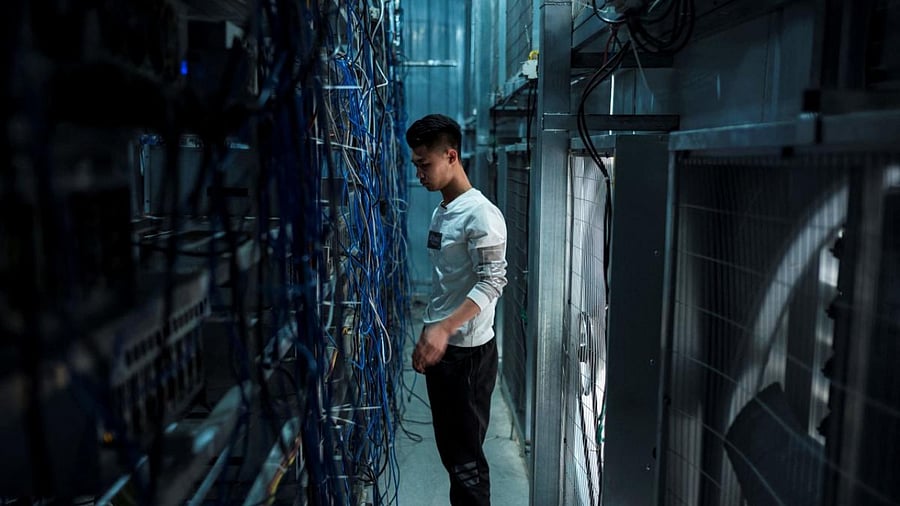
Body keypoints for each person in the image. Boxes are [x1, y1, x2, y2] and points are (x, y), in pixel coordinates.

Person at [406, 114, 508, 506]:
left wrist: (444, 328)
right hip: (445, 351)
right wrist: (431, 328)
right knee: (452, 454)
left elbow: (493, 282)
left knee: (466, 464)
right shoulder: (443, 210)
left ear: (451, 156)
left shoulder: (481, 215)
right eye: (415, 164)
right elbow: (446, 282)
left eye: (424, 164)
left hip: (468, 355)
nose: (419, 173)